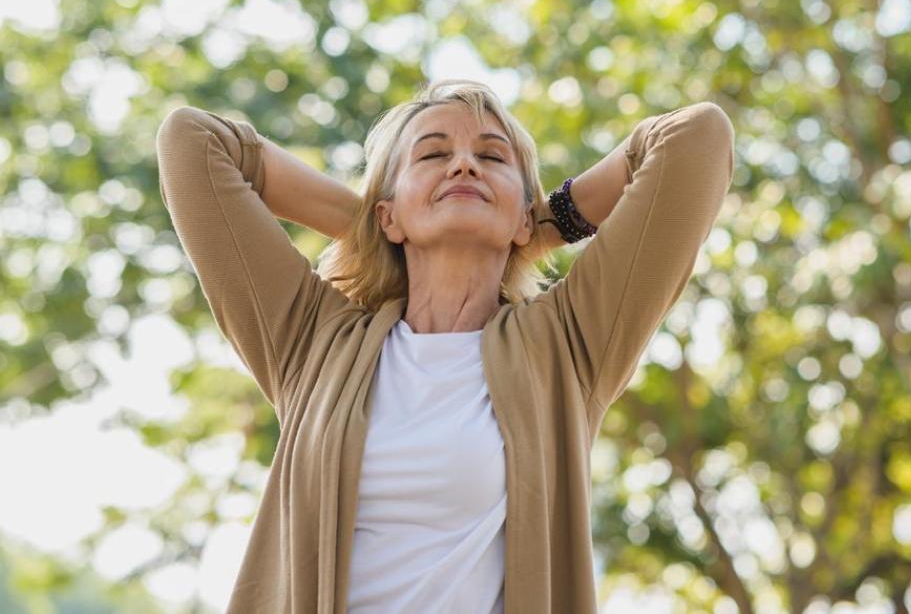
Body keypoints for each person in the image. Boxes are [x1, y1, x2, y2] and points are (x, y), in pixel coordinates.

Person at [155, 78, 735, 613]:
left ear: (523, 218)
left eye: (491, 157)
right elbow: (194, 142)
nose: (463, 164)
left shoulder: (567, 342)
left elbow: (695, 139)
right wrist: (374, 226)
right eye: (432, 155)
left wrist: (541, 224)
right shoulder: (313, 340)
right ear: (388, 214)